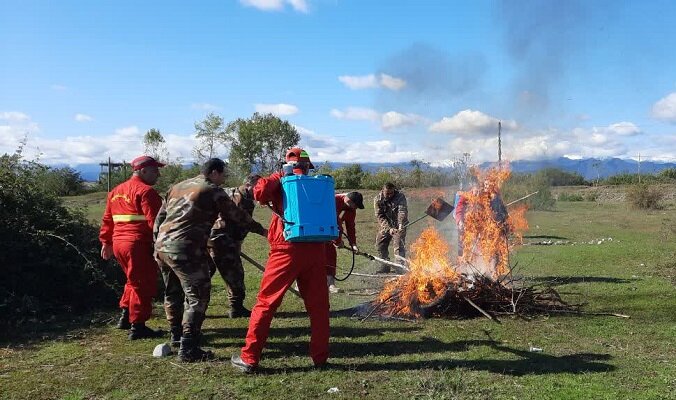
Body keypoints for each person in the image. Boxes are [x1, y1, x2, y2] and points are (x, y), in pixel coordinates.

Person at [154, 158, 267, 362]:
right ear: (214, 172)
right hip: (186, 248)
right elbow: (237, 216)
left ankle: (176, 335)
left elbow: (160, 217)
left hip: (163, 247)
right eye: (223, 174)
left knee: (172, 292)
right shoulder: (212, 190)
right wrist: (264, 231)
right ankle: (188, 347)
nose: (224, 179)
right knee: (198, 294)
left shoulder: (177, 187)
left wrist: (158, 240)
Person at [231, 147, 330, 373]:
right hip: (316, 248)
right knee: (319, 307)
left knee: (266, 303)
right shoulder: (318, 184)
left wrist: (278, 175)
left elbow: (259, 193)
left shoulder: (282, 181)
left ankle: (249, 358)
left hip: (287, 249)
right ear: (308, 166)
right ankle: (320, 357)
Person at [99, 155, 165, 340]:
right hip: (137, 244)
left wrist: (106, 242)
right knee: (142, 283)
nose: (158, 174)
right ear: (143, 171)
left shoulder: (115, 191)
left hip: (119, 243)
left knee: (132, 280)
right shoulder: (146, 192)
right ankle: (138, 326)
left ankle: (126, 317)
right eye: (155, 170)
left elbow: (107, 219)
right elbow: (156, 224)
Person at [207, 173, 263, 318]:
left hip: (217, 239)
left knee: (207, 274)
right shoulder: (240, 198)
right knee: (234, 276)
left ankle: (195, 308)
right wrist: (263, 231)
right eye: (258, 186)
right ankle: (235, 308)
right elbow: (243, 220)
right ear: (249, 185)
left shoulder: (238, 193)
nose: (260, 189)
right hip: (222, 241)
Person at [325, 191, 364, 293]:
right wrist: (337, 240)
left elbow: (350, 226)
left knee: (331, 256)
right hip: (319, 230)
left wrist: (353, 244)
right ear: (349, 201)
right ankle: (301, 285)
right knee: (311, 258)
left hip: (331, 234)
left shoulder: (351, 209)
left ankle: (330, 284)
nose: (355, 208)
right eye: (355, 205)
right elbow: (334, 222)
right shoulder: (332, 200)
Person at [373, 182, 408, 273]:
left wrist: (400, 225)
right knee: (380, 244)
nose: (389, 195)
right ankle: (385, 266)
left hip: (399, 225)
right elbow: (380, 216)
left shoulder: (400, 197)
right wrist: (389, 229)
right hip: (386, 225)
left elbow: (402, 211)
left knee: (398, 246)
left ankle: (399, 267)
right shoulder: (377, 199)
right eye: (387, 193)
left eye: (391, 193)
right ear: (382, 190)